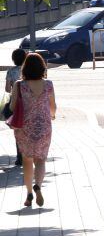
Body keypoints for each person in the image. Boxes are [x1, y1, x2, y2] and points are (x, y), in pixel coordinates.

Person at [9, 53, 56, 207]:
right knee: (41, 160)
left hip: (24, 127)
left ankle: (29, 192)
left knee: (27, 160)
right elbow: (53, 107)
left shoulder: (19, 85)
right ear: (42, 67)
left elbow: (12, 107)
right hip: (44, 126)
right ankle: (38, 186)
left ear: (25, 68)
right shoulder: (48, 84)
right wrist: (52, 115)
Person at [5, 48, 26, 166]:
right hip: (28, 102)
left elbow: (7, 89)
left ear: (13, 59)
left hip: (16, 103)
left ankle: (20, 157)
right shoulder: (28, 70)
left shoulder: (10, 71)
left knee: (17, 129)